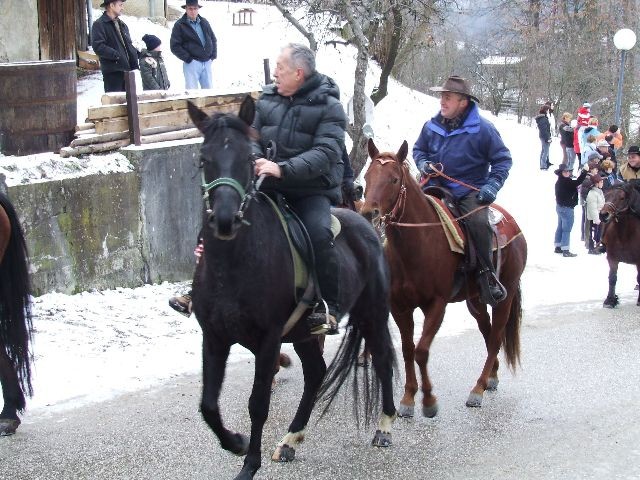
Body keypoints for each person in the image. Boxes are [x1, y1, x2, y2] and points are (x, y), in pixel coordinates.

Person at [250, 43, 346, 334]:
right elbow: (250, 135)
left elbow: (326, 153)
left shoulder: (330, 106)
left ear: (299, 73)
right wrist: (256, 158)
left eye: (281, 67)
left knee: (319, 233)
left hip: (309, 190)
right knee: (223, 212)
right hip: (266, 184)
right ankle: (199, 289)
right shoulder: (266, 98)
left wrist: (282, 169)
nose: (275, 73)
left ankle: (329, 307)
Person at [413, 75, 512, 307]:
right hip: (433, 187)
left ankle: (486, 276)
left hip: (467, 191)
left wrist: (492, 185)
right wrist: (422, 164)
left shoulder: (484, 130)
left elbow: (502, 160)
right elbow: (419, 150)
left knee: (478, 222)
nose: (442, 102)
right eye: (441, 97)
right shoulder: (431, 126)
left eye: (448, 98)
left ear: (463, 102)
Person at [91, 0, 139, 93]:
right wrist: (116, 55)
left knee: (129, 105)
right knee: (115, 104)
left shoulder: (122, 25)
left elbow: (128, 45)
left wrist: (137, 56)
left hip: (127, 72)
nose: (122, 8)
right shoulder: (99, 24)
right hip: (113, 73)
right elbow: (98, 46)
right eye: (120, 5)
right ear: (112, 5)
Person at [170, 0, 217, 89]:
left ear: (198, 8)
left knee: (209, 93)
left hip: (207, 62)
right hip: (192, 64)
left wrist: (213, 56)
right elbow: (174, 46)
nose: (193, 11)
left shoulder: (204, 22)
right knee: (192, 94)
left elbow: (213, 39)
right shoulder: (179, 25)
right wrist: (188, 59)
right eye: (190, 9)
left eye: (195, 8)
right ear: (186, 9)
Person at [554, 163, 590, 257]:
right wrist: (585, 172)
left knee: (560, 227)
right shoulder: (566, 182)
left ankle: (558, 246)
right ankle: (565, 249)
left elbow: (575, 184)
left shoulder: (560, 182)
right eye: (565, 171)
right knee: (566, 229)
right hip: (567, 209)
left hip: (560, 207)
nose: (567, 173)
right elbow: (578, 182)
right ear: (561, 173)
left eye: (568, 171)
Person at [585, 174, 605, 254]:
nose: (602, 183)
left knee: (598, 233)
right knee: (593, 233)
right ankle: (591, 248)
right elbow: (592, 208)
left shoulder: (599, 191)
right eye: (601, 182)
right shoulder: (592, 193)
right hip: (593, 218)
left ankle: (597, 247)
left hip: (599, 215)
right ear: (596, 183)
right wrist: (596, 219)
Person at [535, 104, 553, 170]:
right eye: (548, 110)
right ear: (546, 110)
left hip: (543, 136)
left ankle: (543, 165)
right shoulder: (543, 118)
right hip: (544, 136)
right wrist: (547, 138)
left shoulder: (543, 117)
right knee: (545, 151)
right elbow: (543, 129)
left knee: (544, 150)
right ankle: (543, 166)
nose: (549, 111)